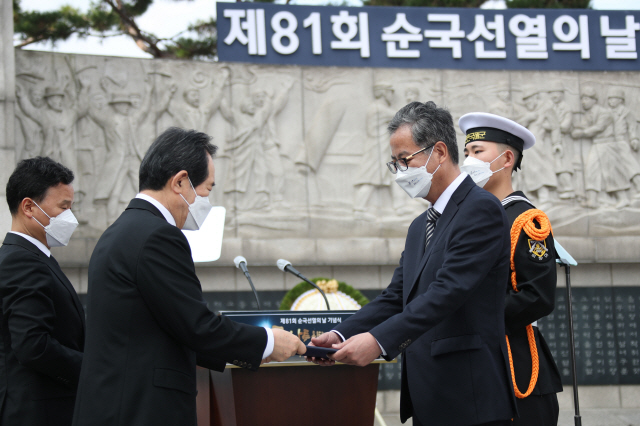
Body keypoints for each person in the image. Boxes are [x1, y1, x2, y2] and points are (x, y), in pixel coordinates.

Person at [72, 127, 306, 426]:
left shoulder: (120, 231)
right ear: (181, 181)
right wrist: (268, 342)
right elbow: (195, 325)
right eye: (207, 190)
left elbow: (167, 327)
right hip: (140, 410)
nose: (207, 201)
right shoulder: (158, 235)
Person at [311, 101, 516, 426]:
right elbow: (397, 296)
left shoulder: (481, 210)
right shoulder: (421, 225)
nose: (400, 172)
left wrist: (378, 342)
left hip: (469, 398)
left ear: (438, 152)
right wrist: (341, 333)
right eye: (395, 164)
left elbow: (446, 293)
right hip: (427, 396)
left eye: (405, 160)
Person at [459, 112, 563, 426]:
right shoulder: (466, 217)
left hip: (513, 364)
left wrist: (473, 317)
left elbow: (537, 296)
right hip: (469, 362)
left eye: (477, 152)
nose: (468, 161)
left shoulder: (525, 220)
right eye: (465, 153)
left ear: (506, 159)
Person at [0, 157, 85, 426]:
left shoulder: (35, 257)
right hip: (37, 413)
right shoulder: (21, 260)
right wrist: (93, 369)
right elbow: (33, 345)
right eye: (64, 207)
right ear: (29, 207)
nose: (70, 218)